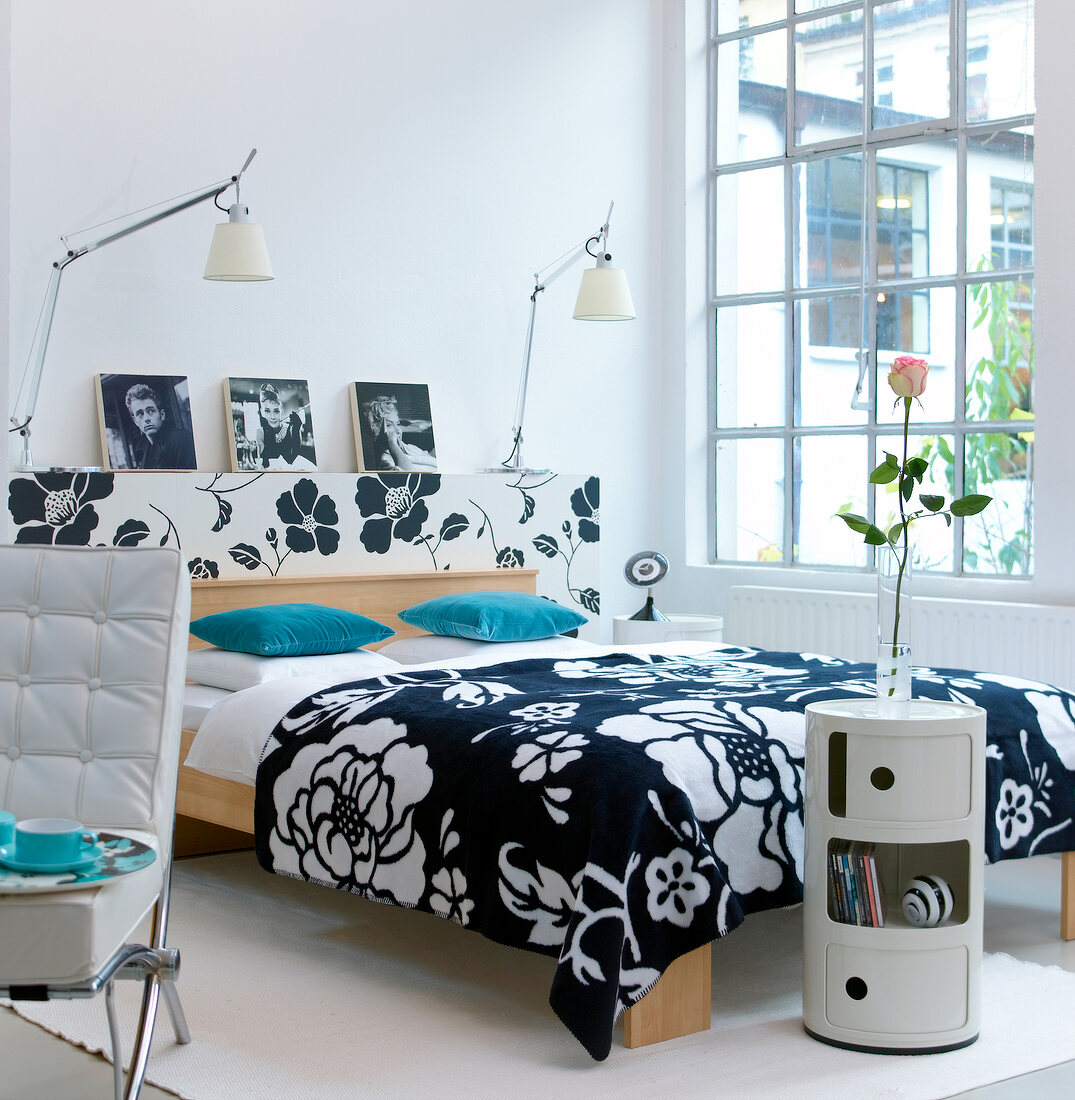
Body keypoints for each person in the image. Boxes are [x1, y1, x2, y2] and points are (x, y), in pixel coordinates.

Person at [124, 383, 197, 470]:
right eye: (140, 414)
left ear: (162, 415)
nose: (146, 418)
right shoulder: (146, 452)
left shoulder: (183, 440)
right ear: (135, 421)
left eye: (150, 411)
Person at [360, 394, 437, 471]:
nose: (397, 430)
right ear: (375, 430)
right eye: (389, 425)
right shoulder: (386, 461)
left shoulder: (407, 448)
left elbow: (430, 459)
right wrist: (392, 444)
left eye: (398, 424)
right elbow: (410, 475)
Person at [255, 383, 307, 469]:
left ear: (282, 412)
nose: (272, 417)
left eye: (276, 411)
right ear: (262, 412)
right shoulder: (260, 432)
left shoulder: (290, 428)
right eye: (267, 411)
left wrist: (296, 430)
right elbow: (262, 461)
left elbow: (295, 457)